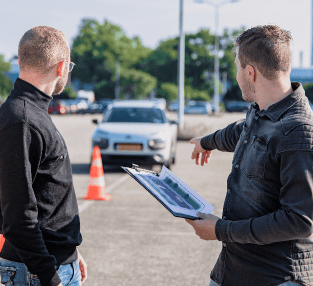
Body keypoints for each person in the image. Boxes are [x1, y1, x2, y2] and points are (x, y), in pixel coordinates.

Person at [186, 25, 313, 286]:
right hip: (233, 270)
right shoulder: (262, 111)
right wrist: (207, 142)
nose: (236, 75)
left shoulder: (298, 132)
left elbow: (300, 221)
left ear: (251, 72)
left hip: (275, 277)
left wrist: (221, 230)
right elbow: (241, 131)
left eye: (237, 67)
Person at [0, 26, 87, 286]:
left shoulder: (29, 113)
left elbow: (46, 196)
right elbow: (17, 215)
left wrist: (72, 252)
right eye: (69, 68)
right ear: (61, 68)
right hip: (36, 273)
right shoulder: (22, 120)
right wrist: (50, 276)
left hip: (52, 264)